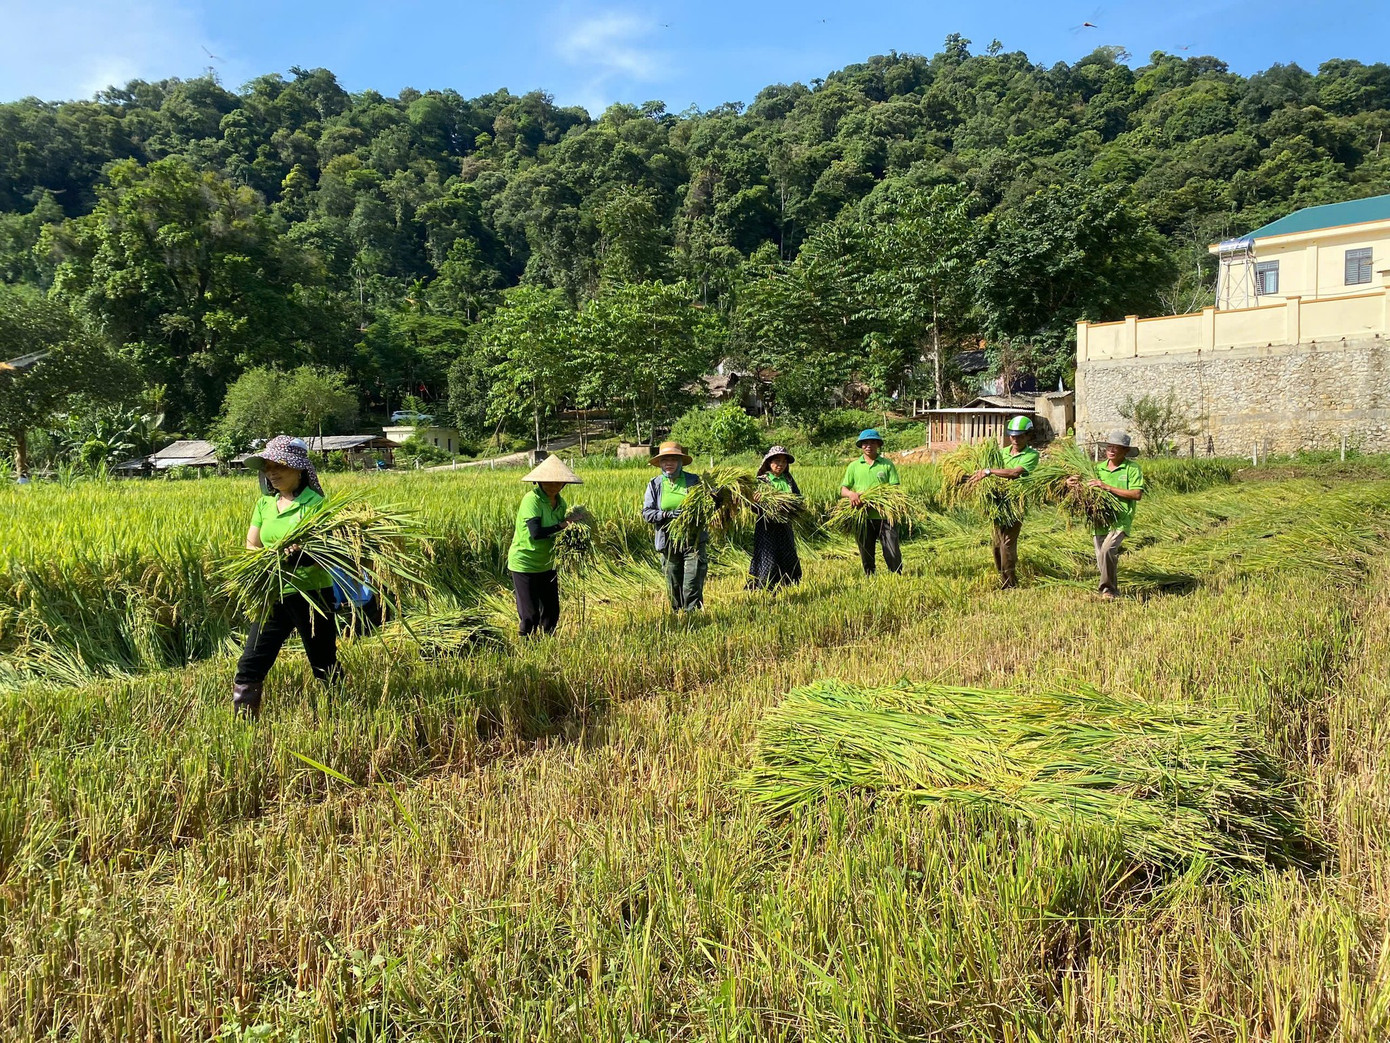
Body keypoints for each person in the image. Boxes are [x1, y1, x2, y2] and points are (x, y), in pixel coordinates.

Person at [232, 436, 339, 717]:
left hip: (312, 595)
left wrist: (304, 556)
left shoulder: (316, 505)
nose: (272, 472)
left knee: (323, 663)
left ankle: (338, 714)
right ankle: (244, 723)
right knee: (251, 662)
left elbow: (328, 550)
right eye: (268, 467)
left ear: (299, 469)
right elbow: (252, 545)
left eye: (279, 465)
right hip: (272, 594)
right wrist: (265, 561)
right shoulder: (264, 505)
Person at [507, 455, 585, 636]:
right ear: (539, 482)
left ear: (564, 484)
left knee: (551, 611)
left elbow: (557, 533)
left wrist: (574, 530)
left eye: (558, 482)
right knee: (530, 615)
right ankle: (527, 644)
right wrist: (562, 525)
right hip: (525, 562)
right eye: (548, 481)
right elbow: (536, 533)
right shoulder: (532, 500)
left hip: (548, 563)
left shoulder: (561, 503)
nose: (553, 485)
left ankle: (547, 643)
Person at [1069, 430, 1144, 599]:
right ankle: (1111, 590)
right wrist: (1072, 484)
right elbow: (1086, 487)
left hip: (1121, 518)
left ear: (1125, 451)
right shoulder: (1097, 469)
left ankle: (1107, 589)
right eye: (1109, 446)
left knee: (1107, 551)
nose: (1111, 450)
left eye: (1116, 447)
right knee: (1101, 556)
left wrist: (1107, 487)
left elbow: (1136, 494)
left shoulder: (1132, 469)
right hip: (1099, 518)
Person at [971, 416, 1040, 589]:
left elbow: (1014, 473)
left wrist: (989, 471)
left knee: (1007, 543)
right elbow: (988, 473)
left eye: (1020, 436)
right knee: (996, 543)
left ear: (1028, 435)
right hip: (997, 502)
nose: (1016, 440)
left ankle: (1010, 583)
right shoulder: (1001, 453)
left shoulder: (1032, 455)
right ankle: (1002, 577)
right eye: (1013, 436)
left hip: (1015, 503)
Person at [641, 440, 708, 611]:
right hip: (668, 540)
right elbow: (647, 513)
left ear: (680, 462)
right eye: (664, 460)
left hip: (692, 539)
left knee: (692, 581)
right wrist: (666, 515)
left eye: (673, 459)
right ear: (660, 464)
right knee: (673, 582)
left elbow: (707, 506)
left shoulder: (694, 481)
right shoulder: (655, 484)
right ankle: (677, 615)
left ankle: (692, 615)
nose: (668, 463)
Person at [840, 428, 903, 576]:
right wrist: (851, 494)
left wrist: (880, 499)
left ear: (878, 445)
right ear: (861, 446)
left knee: (892, 549)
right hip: (862, 516)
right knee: (866, 549)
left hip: (884, 515)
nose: (869, 446)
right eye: (865, 443)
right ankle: (870, 575)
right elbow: (843, 489)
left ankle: (896, 575)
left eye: (873, 442)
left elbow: (895, 488)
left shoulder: (886, 465)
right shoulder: (854, 466)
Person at [748, 445, 803, 591]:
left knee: (788, 553)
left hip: (785, 524)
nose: (780, 464)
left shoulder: (788, 479)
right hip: (766, 525)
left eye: (784, 461)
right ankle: (764, 586)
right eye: (777, 461)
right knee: (768, 556)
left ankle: (788, 584)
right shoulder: (761, 481)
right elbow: (752, 507)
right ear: (769, 462)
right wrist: (755, 502)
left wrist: (789, 505)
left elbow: (798, 499)